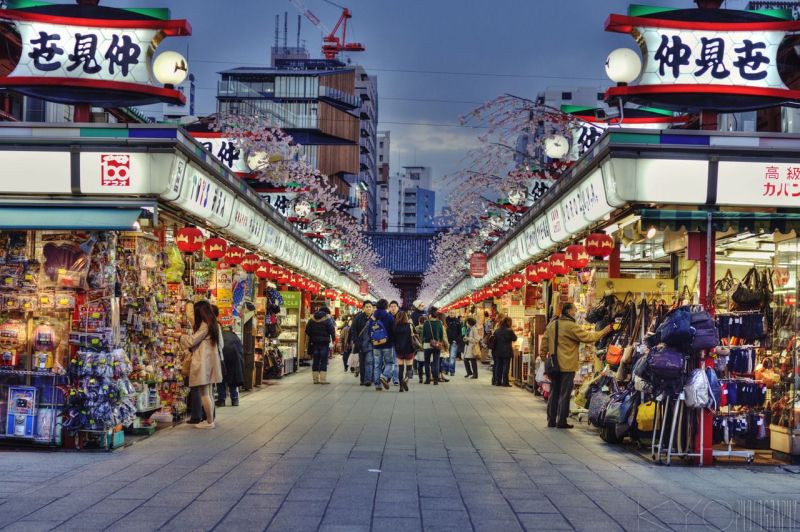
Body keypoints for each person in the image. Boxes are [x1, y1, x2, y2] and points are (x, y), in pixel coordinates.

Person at [540, 302, 612, 429]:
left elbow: (544, 343)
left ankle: (551, 420)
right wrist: (604, 331)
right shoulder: (571, 326)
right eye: (574, 310)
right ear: (568, 312)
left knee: (554, 392)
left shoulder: (552, 325)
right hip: (567, 365)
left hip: (554, 365)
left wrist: (543, 358)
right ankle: (561, 421)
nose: (576, 312)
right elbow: (589, 337)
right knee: (564, 394)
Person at [180, 300, 223, 429]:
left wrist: (181, 337)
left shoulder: (205, 326)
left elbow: (192, 341)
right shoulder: (214, 324)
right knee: (208, 392)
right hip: (210, 363)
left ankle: (209, 422)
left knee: (204, 393)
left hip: (204, 363)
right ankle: (210, 420)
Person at [305, 305, 336, 384]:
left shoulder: (312, 319)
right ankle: (323, 379)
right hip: (324, 343)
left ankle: (315, 379)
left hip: (314, 343)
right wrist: (334, 339)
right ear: (326, 313)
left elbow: (307, 330)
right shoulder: (327, 319)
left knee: (315, 360)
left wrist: (313, 335)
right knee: (324, 360)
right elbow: (332, 330)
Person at [370, 299, 395, 391]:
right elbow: (393, 331)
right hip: (387, 344)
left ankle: (377, 385)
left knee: (377, 364)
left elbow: (370, 330)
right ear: (386, 306)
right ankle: (384, 376)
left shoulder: (373, 317)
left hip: (376, 345)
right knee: (390, 362)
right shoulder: (389, 317)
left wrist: (372, 341)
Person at [216, 325, 244, 407]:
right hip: (234, 362)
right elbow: (241, 351)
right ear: (230, 329)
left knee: (221, 380)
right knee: (233, 381)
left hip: (222, 361)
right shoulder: (235, 337)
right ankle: (235, 400)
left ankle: (221, 400)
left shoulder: (220, 336)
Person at [350, 301, 374, 386]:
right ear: (363, 308)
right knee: (362, 362)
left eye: (370, 306)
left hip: (370, 344)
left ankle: (368, 380)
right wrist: (355, 340)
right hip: (360, 344)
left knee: (369, 361)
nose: (368, 308)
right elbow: (353, 330)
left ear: (372, 308)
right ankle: (362, 379)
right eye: (366, 307)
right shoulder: (358, 318)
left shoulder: (375, 318)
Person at [422, 307, 448, 385]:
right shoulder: (439, 323)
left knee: (427, 362)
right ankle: (436, 380)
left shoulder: (426, 323)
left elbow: (423, 334)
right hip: (437, 344)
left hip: (427, 344)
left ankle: (427, 379)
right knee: (436, 362)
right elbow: (441, 335)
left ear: (429, 314)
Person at [393, 311, 415, 392]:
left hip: (399, 350)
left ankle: (401, 387)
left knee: (401, 368)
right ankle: (406, 380)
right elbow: (415, 335)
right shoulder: (409, 326)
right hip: (409, 349)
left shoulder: (395, 326)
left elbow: (393, 338)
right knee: (409, 368)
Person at [492, 317, 516, 387]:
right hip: (507, 351)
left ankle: (497, 381)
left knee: (498, 366)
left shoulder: (497, 330)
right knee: (506, 366)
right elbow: (515, 338)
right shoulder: (509, 331)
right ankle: (505, 382)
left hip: (497, 351)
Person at [445, 313, 463, 377]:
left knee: (452, 357)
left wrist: (457, 340)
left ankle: (452, 371)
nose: (451, 314)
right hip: (446, 341)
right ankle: (446, 370)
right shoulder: (445, 320)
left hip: (454, 342)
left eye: (453, 312)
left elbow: (460, 332)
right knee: (446, 356)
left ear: (455, 314)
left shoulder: (457, 322)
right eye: (450, 312)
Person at [388, 300, 400, 385]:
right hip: (387, 342)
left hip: (397, 342)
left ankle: (396, 379)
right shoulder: (386, 317)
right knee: (388, 361)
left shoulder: (401, 317)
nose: (393, 308)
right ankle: (387, 377)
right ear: (389, 308)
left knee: (396, 362)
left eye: (394, 306)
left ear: (398, 308)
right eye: (391, 306)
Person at [415, 316, 426, 383]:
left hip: (419, 348)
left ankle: (420, 378)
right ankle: (428, 376)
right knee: (427, 363)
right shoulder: (427, 328)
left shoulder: (416, 328)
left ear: (419, 321)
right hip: (426, 347)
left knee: (420, 364)